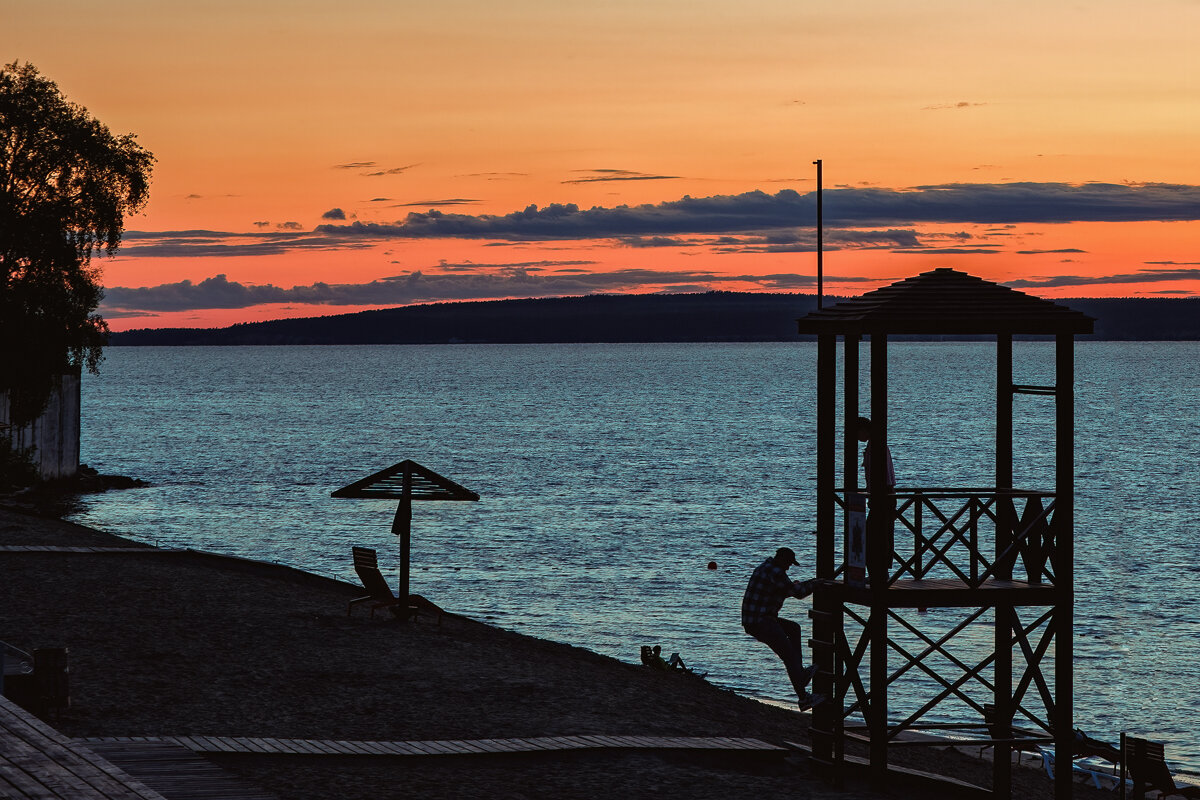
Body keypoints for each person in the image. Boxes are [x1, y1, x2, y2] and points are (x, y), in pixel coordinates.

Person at [741, 547, 823, 710]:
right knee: (788, 656)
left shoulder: (765, 568)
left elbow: (779, 590)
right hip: (762, 621)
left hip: (754, 619)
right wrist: (816, 582)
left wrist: (793, 586)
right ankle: (803, 697)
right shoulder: (777, 573)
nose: (788, 568)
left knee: (794, 629)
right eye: (788, 564)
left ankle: (801, 673)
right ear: (783, 560)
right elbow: (798, 593)